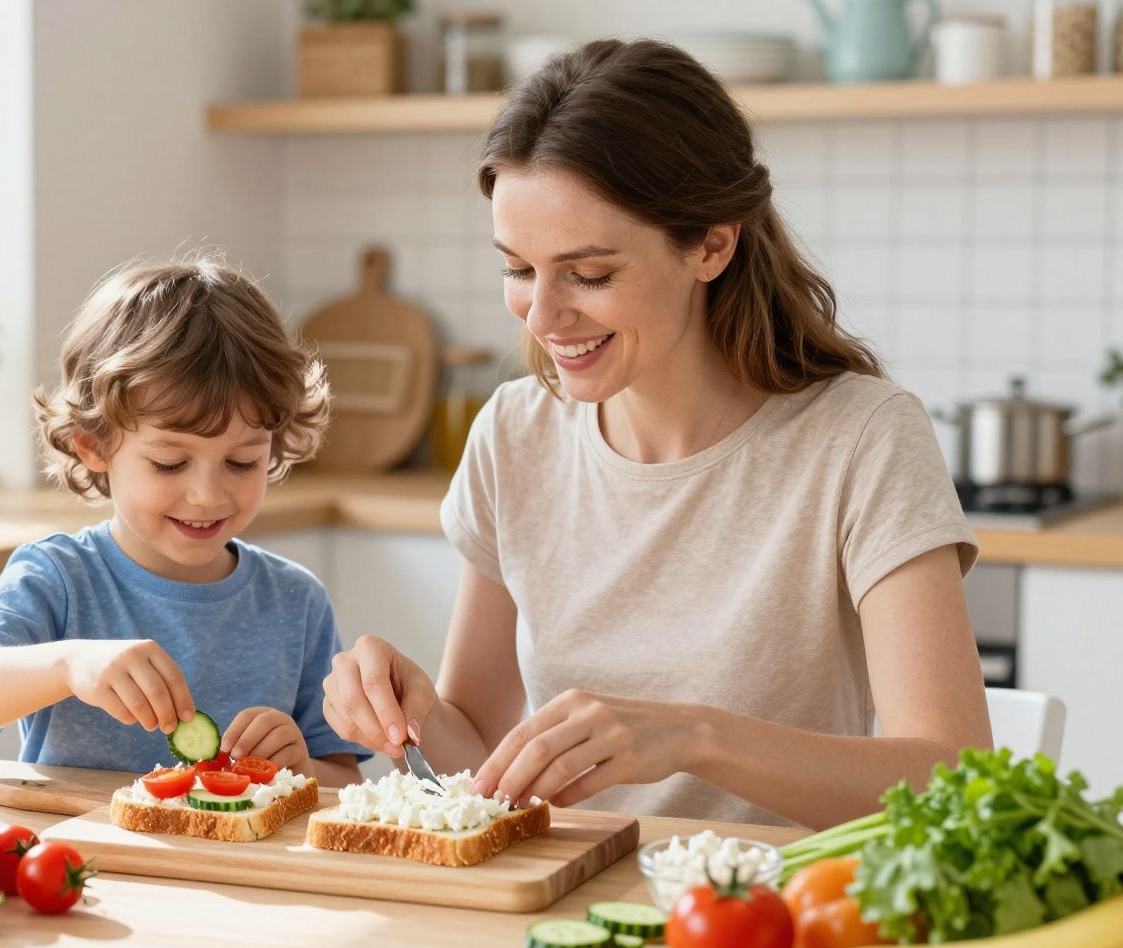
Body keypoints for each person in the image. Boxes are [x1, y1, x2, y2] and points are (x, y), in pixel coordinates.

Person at [320, 38, 992, 829]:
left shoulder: (861, 439)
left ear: (712, 243)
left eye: (589, 275)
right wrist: (414, 710)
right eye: (517, 269)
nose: (542, 316)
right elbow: (483, 757)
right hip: (562, 903)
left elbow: (953, 776)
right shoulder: (514, 433)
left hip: (769, 919)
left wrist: (695, 735)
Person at [0, 257, 366, 786]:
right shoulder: (60, 578)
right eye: (170, 463)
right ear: (93, 446)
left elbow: (343, 777)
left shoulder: (295, 600)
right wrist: (68, 666)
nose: (208, 494)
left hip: (235, 866)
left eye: (242, 462)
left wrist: (300, 769)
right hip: (83, 864)